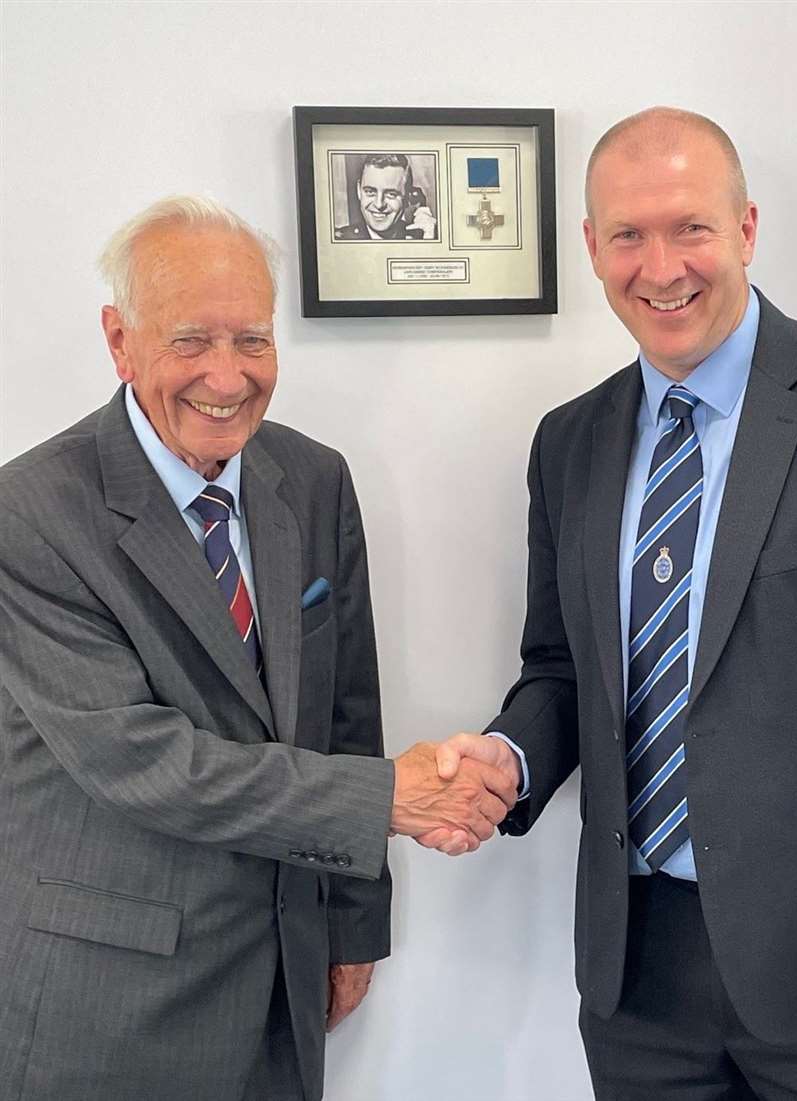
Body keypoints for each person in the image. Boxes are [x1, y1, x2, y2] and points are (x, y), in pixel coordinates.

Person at [431, 107, 797, 1100]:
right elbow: (563, 670)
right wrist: (511, 755)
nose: (662, 268)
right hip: (636, 975)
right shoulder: (569, 443)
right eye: (629, 236)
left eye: (690, 227)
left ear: (745, 229)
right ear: (591, 248)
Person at [0, 196, 515, 1101]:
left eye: (254, 341)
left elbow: (346, 711)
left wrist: (353, 927)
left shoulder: (312, 479)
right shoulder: (30, 515)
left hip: (283, 983)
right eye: (191, 341)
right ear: (120, 341)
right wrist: (394, 796)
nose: (228, 377)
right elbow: (143, 761)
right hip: (111, 1006)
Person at [333, 153, 437, 241]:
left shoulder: (419, 237)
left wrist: (428, 242)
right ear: (359, 191)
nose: (379, 204)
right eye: (370, 192)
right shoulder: (339, 240)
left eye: (391, 194)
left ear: (407, 197)